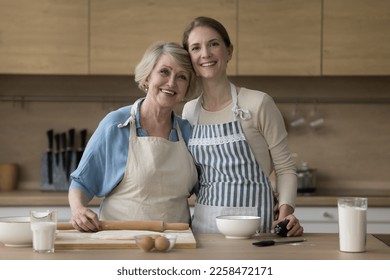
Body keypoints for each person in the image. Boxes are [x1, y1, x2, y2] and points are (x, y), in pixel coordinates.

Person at [181, 16, 303, 236]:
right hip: (204, 230)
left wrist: (285, 213)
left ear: (229, 51)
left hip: (255, 230)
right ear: (189, 58)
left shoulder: (258, 103)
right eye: (196, 48)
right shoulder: (190, 111)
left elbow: (285, 168)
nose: (205, 54)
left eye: (214, 44)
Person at [68, 41, 198, 232]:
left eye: (181, 77)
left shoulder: (188, 131)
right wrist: (78, 210)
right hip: (121, 242)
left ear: (186, 87)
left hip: (176, 244)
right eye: (164, 72)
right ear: (147, 77)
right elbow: (82, 182)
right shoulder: (116, 125)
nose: (171, 83)